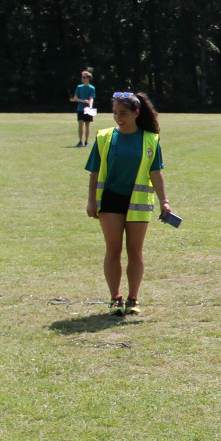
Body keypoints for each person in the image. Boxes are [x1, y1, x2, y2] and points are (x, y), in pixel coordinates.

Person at [85, 91, 172, 316]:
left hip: (138, 202)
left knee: (135, 251)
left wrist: (165, 201)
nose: (118, 117)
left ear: (136, 113)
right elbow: (94, 172)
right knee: (113, 250)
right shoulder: (103, 137)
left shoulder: (150, 139)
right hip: (110, 200)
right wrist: (91, 201)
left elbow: (156, 172)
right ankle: (115, 298)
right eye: (115, 113)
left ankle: (133, 298)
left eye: (123, 113)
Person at [71, 70, 96, 147]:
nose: (82, 78)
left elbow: (91, 98)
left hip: (88, 109)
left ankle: (86, 141)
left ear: (88, 78)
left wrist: (90, 105)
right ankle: (80, 141)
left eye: (84, 77)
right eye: (82, 77)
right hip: (80, 108)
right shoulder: (79, 87)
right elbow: (75, 98)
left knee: (87, 125)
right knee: (80, 123)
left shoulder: (92, 88)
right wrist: (83, 101)